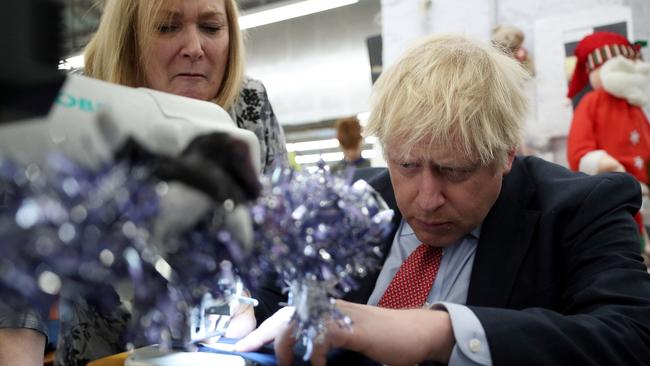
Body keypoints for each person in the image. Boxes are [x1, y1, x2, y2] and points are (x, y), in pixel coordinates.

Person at [237, 33, 650, 365]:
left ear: (506, 154)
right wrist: (241, 308)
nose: (428, 199)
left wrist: (441, 332)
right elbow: (269, 293)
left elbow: (632, 336)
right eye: (407, 166)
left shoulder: (580, 209)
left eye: (455, 171)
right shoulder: (351, 199)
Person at [0, 0, 286, 365]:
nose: (195, 48)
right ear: (129, 37)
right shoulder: (71, 110)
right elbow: (18, 284)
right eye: (167, 27)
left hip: (227, 345)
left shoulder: (249, 104)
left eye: (212, 28)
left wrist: (252, 298)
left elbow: (280, 233)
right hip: (107, 353)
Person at [566, 31, 650, 251]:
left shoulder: (635, 105)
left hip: (642, 191)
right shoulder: (591, 102)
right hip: (611, 188)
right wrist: (602, 164)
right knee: (621, 239)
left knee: (639, 239)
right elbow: (579, 148)